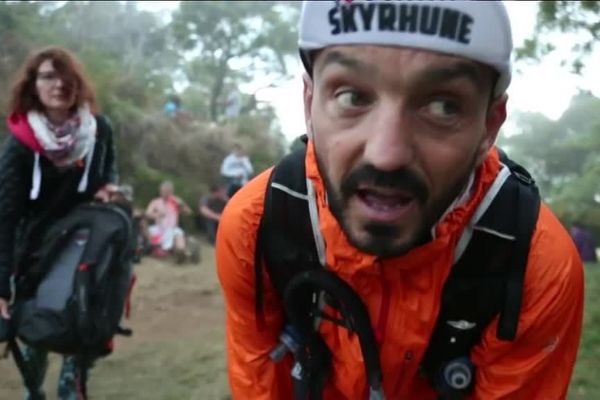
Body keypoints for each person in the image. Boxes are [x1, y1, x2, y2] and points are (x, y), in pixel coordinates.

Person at [216, 2, 584, 399]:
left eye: (443, 106)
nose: (386, 153)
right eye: (352, 96)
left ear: (488, 127)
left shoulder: (534, 265)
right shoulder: (258, 224)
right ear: (309, 104)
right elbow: (260, 381)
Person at [0, 46, 118, 400]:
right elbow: (4, 216)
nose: (58, 84)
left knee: (83, 324)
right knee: (39, 328)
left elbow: (108, 171)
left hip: (85, 246)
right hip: (35, 252)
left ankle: (73, 387)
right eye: (47, 76)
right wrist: (1, 286)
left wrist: (108, 188)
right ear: (33, 85)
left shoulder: (99, 129)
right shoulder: (20, 145)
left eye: (64, 76)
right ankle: (33, 389)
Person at [145, 180, 192, 262]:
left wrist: (181, 204)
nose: (165, 193)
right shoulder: (155, 202)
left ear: (171, 192)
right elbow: (147, 213)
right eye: (163, 191)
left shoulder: (176, 201)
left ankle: (181, 252)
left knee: (178, 236)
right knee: (148, 231)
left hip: (172, 228)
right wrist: (157, 215)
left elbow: (188, 212)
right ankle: (155, 249)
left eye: (167, 191)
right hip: (159, 228)